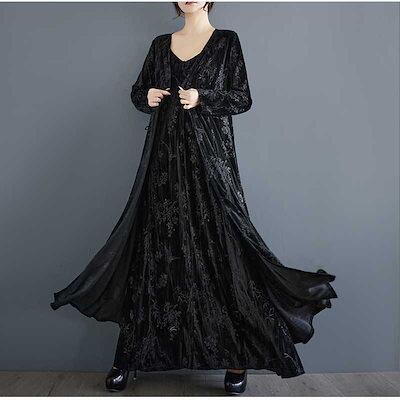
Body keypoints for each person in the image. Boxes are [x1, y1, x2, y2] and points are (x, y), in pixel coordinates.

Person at [50, 1, 338, 395]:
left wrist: (202, 97)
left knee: (225, 254)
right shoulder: (159, 45)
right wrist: (147, 94)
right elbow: (138, 93)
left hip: (211, 167)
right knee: (156, 254)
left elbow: (242, 98)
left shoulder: (226, 42)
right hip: (164, 166)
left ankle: (236, 357)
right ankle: (130, 355)